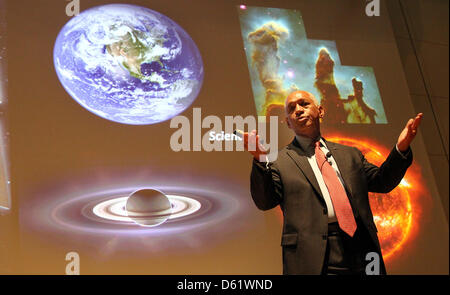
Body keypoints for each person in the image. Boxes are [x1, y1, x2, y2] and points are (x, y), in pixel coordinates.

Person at [244, 90, 422, 275]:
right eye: (291, 109)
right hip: (314, 257)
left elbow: (382, 182)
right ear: (288, 122)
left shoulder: (350, 154)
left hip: (363, 250)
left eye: (304, 104)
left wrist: (401, 148)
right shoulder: (279, 161)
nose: (298, 110)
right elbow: (264, 201)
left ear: (320, 111)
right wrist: (260, 160)